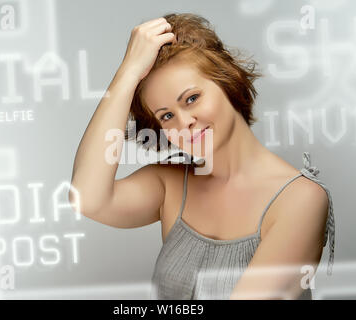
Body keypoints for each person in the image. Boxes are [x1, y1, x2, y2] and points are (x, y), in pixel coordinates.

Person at [69, 13, 335, 300]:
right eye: (167, 116)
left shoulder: (302, 199)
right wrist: (128, 73)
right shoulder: (169, 184)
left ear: (227, 81)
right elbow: (86, 198)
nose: (184, 122)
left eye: (192, 98)